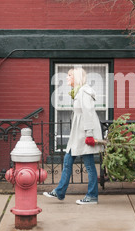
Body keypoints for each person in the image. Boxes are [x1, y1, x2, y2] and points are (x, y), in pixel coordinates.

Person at [44, 67, 103, 205]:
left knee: (89, 166)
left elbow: (88, 113)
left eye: (69, 75)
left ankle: (92, 196)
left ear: (76, 77)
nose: (67, 78)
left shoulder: (84, 92)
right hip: (77, 135)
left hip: (84, 135)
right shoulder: (78, 92)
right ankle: (59, 191)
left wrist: (89, 135)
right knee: (67, 161)